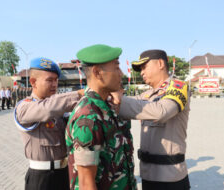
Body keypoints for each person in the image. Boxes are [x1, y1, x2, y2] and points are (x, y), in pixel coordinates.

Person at [113, 50, 190, 190]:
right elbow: (125, 106)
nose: (141, 72)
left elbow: (161, 111)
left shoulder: (179, 87)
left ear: (160, 63)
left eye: (144, 67)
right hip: (148, 176)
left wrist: (118, 101)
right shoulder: (146, 95)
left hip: (171, 177)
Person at [66, 44, 136, 190]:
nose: (121, 73)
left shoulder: (107, 108)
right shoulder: (88, 116)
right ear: (97, 72)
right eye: (116, 67)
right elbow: (86, 184)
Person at [14, 57, 84, 190]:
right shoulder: (24, 108)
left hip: (64, 172)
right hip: (41, 178)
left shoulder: (58, 108)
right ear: (33, 82)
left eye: (56, 80)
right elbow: (47, 108)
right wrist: (80, 94)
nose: (54, 84)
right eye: (49, 80)